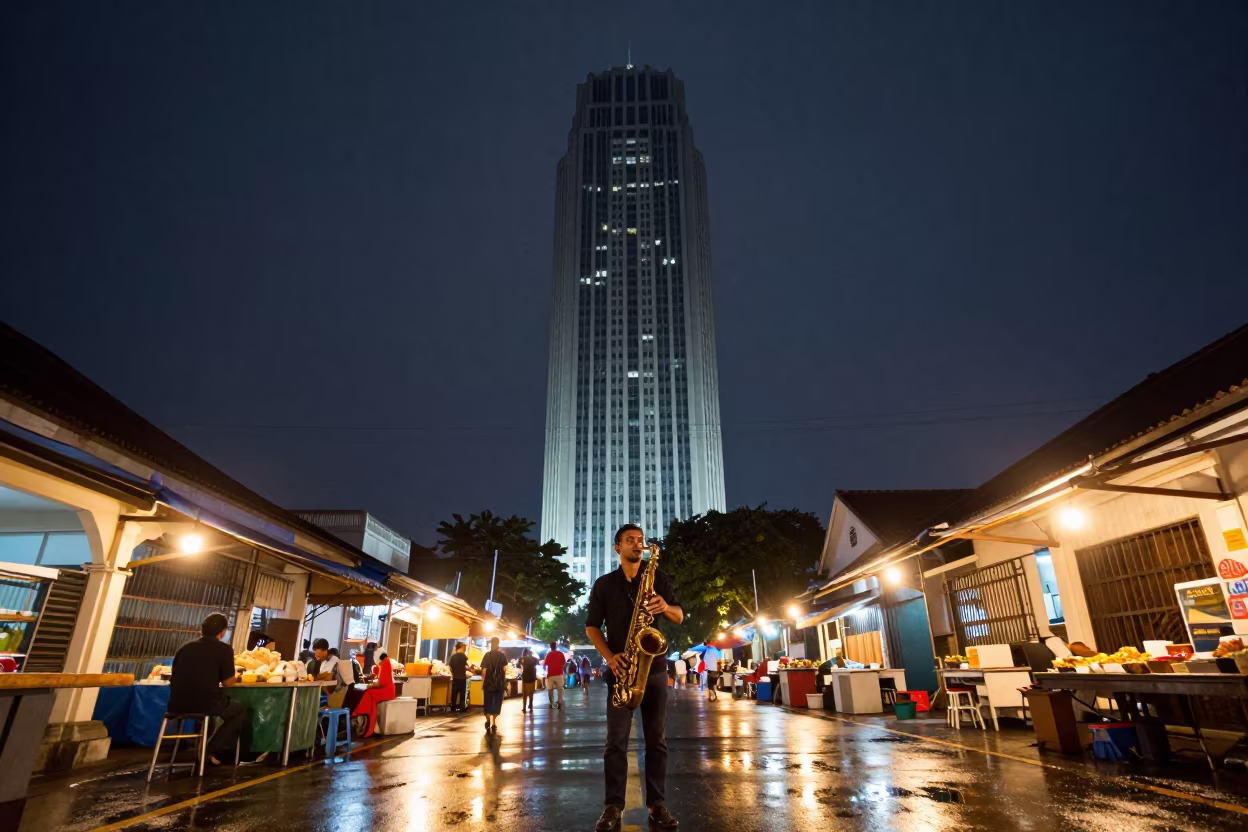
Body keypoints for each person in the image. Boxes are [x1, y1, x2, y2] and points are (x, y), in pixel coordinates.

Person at [586, 524, 684, 831]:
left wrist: (665, 606)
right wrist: (610, 657)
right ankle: (613, 807)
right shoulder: (603, 585)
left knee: (657, 741)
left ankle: (657, 805)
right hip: (621, 670)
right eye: (631, 540)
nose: (638, 545)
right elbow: (591, 627)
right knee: (615, 743)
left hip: (654, 670)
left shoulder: (657, 579)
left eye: (640, 540)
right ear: (618, 548)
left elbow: (679, 616)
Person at [169, 612, 247, 766]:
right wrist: (238, 677)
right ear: (223, 632)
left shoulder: (185, 648)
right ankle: (208, 750)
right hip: (207, 703)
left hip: (176, 704)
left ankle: (202, 749)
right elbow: (228, 683)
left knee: (207, 716)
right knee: (239, 711)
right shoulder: (224, 649)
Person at [352, 651, 396, 737]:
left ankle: (364, 718)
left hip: (387, 691)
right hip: (388, 689)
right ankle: (364, 717)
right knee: (368, 692)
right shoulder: (386, 662)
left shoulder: (385, 663)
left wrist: (369, 686)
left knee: (369, 693)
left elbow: (382, 683)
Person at [481, 636, 507, 733]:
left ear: (491, 644)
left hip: (488, 683)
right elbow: (505, 669)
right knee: (497, 702)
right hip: (499, 683)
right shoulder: (502, 655)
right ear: (498, 644)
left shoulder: (487, 655)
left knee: (488, 701)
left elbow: (484, 670)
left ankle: (487, 718)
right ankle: (494, 723)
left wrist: (483, 681)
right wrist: (502, 679)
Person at [543, 642, 566, 709]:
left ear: (550, 647)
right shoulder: (560, 653)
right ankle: (559, 702)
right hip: (559, 674)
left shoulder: (549, 654)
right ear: (556, 646)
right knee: (560, 689)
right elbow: (563, 663)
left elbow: (545, 664)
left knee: (550, 689)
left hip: (550, 675)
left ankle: (551, 703)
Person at [448, 643, 469, 712]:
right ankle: (462, 708)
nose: (465, 649)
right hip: (462, 678)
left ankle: (453, 707)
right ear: (460, 648)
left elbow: (450, 667)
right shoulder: (464, 657)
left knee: (454, 693)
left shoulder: (453, 657)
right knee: (462, 694)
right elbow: (466, 666)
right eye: (464, 648)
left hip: (455, 678)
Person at [520, 648, 539, 713]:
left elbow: (518, 665)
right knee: (531, 693)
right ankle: (531, 706)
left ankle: (524, 708)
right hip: (532, 677)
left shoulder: (522, 658)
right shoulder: (534, 659)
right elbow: (537, 663)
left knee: (525, 694)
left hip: (525, 677)